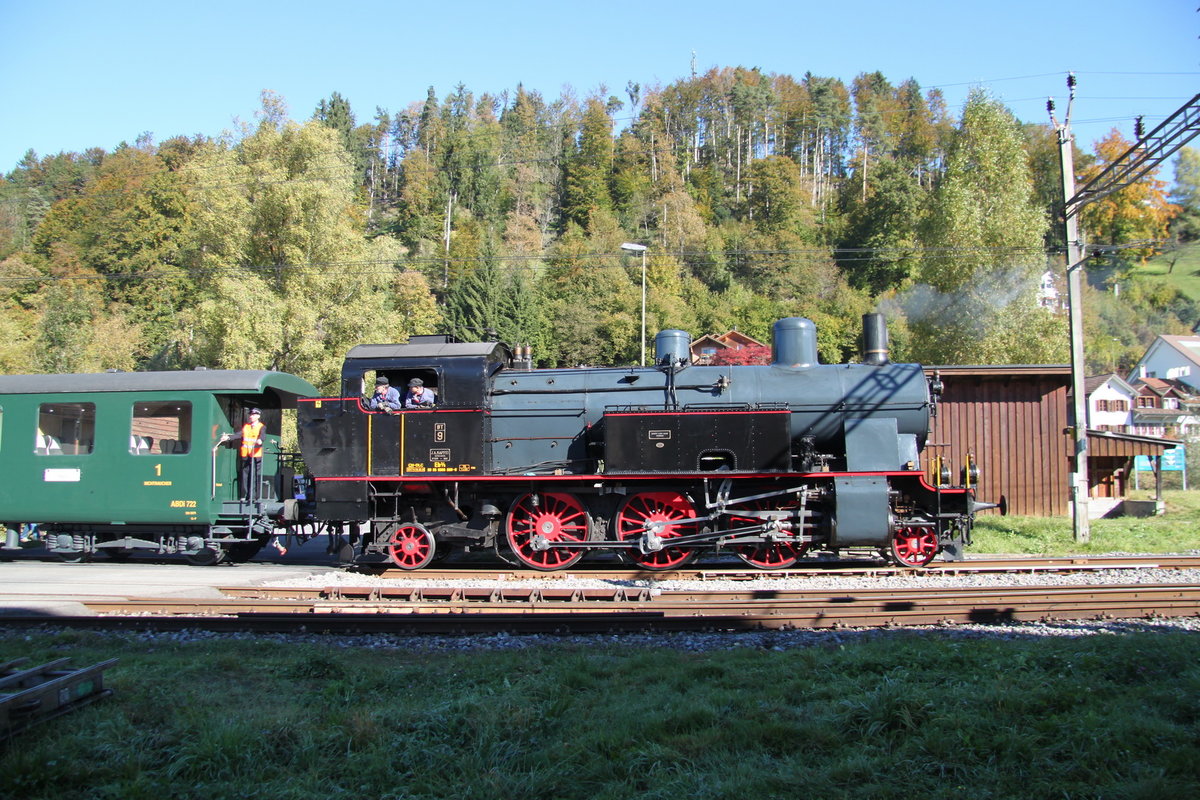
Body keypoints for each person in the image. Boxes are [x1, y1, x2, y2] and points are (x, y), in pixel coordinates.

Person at [239, 408, 265, 501]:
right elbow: (239, 434)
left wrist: (260, 440)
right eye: (250, 415)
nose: (251, 416)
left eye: (253, 415)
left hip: (256, 456)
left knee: (254, 476)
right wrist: (228, 437)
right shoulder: (246, 426)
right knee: (245, 475)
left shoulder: (261, 426)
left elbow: (263, 436)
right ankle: (245, 495)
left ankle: (252, 496)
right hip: (246, 455)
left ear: (258, 416)